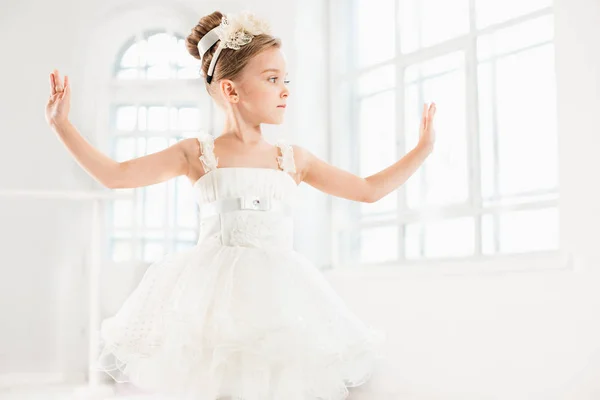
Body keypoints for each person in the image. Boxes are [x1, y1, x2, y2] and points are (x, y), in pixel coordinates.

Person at [45, 9, 437, 400]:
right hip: (214, 297)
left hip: (280, 295)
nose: (285, 89)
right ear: (231, 91)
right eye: (271, 80)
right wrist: (62, 125)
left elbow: (367, 189)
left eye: (286, 80)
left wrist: (422, 150)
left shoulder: (293, 159)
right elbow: (117, 175)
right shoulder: (197, 153)